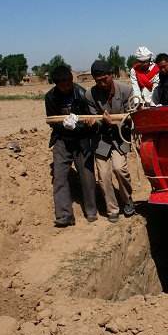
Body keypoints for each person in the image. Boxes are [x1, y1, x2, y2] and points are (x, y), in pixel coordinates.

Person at [44, 66, 98, 226]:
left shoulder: (82, 94)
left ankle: (91, 211)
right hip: (62, 139)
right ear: (56, 84)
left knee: (87, 176)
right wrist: (65, 126)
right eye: (63, 84)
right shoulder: (50, 97)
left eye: (69, 82)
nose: (67, 86)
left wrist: (78, 126)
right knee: (60, 177)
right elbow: (52, 121)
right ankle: (64, 215)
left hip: (81, 140)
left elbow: (91, 121)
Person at [84, 60, 135, 223]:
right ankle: (112, 208)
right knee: (103, 175)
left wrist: (113, 122)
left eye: (105, 78)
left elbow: (131, 118)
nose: (102, 83)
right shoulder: (90, 95)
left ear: (111, 75)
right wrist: (96, 122)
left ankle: (127, 201)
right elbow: (94, 118)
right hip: (101, 139)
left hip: (120, 137)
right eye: (98, 80)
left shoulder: (126, 91)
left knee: (120, 170)